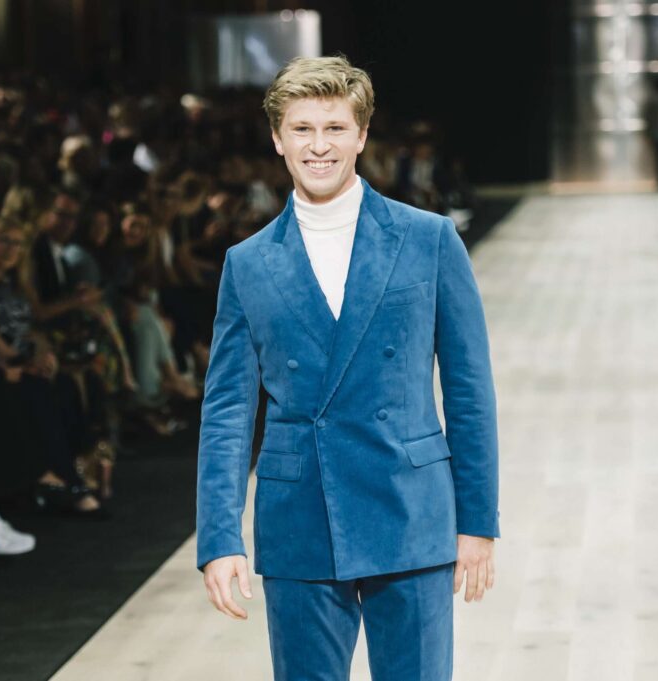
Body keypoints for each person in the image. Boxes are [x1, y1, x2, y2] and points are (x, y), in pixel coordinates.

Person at [195, 55, 500, 681]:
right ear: (277, 138)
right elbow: (227, 411)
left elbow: (469, 392)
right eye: (302, 129)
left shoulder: (429, 239)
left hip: (410, 508)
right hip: (300, 514)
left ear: (362, 135)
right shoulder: (247, 264)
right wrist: (219, 535)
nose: (319, 146)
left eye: (335, 128)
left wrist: (477, 521)